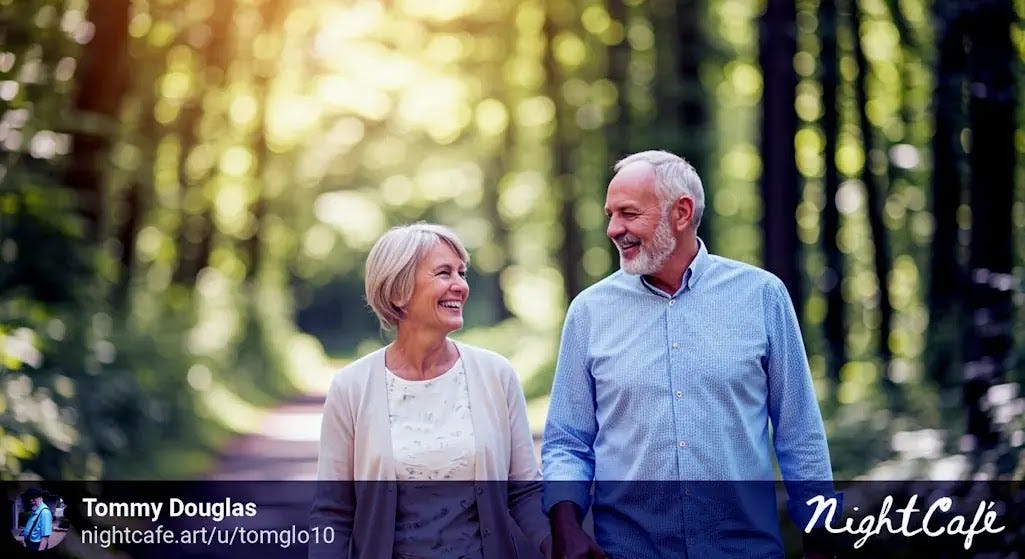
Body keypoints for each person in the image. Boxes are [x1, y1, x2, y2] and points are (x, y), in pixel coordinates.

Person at [542, 151, 836, 559]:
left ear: (680, 213)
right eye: (610, 214)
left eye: (628, 213)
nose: (613, 229)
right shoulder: (589, 312)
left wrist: (822, 537)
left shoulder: (762, 296)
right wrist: (565, 525)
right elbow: (567, 442)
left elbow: (798, 430)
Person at [311, 222, 550, 559]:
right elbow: (332, 514)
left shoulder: (496, 375)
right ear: (398, 292)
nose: (460, 286)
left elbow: (523, 490)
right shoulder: (351, 388)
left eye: (461, 273)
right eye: (443, 273)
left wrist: (561, 544)